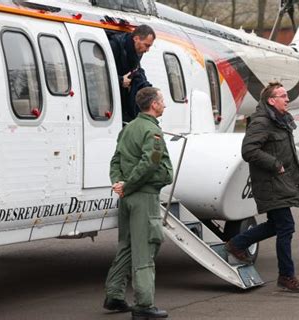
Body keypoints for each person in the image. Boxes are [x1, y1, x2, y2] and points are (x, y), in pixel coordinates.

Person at [225, 81, 299, 293]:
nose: (287, 99)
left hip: (280, 182)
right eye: (283, 96)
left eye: (286, 96)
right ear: (271, 100)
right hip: (271, 183)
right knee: (286, 227)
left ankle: (236, 243)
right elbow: (249, 151)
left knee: (277, 225)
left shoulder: (279, 120)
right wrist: (275, 164)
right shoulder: (262, 122)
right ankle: (286, 276)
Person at [103, 87, 173, 319]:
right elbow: (150, 163)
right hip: (143, 196)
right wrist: (130, 185)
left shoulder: (128, 129)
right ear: (153, 105)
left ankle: (114, 295)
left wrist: (119, 183)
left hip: (127, 198)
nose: (164, 104)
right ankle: (143, 305)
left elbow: (115, 160)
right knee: (145, 249)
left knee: (127, 246)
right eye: (162, 101)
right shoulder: (152, 131)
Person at [109, 24, 155, 123]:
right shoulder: (115, 46)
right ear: (136, 38)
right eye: (146, 45)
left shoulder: (137, 52)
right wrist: (120, 80)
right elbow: (97, 73)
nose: (147, 50)